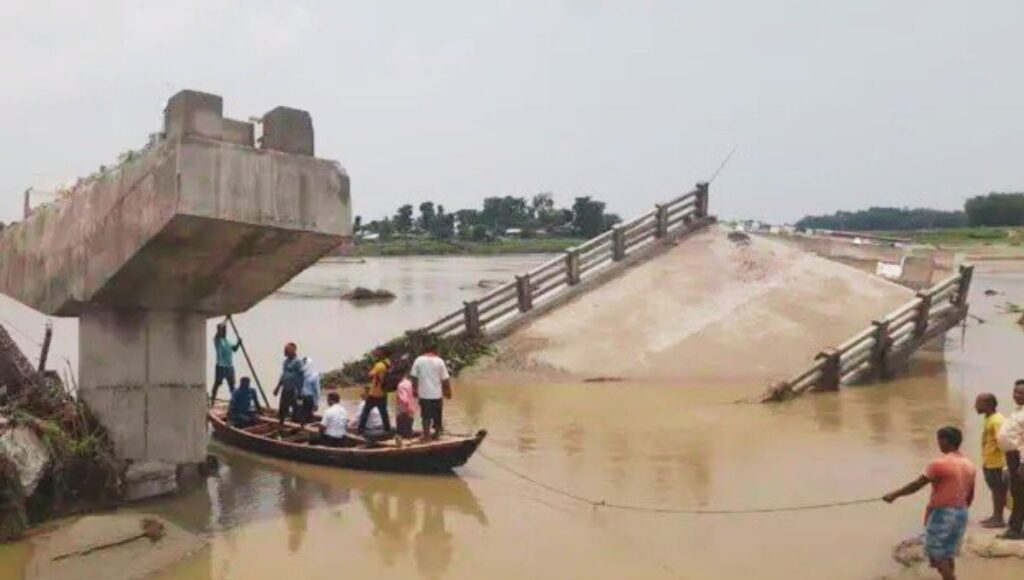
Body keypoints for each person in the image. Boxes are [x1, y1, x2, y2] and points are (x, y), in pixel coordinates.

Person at [883, 426, 976, 580]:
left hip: (943, 513)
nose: (938, 443)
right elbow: (970, 493)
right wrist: (961, 509)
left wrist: (894, 495)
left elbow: (917, 485)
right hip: (961, 511)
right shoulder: (969, 464)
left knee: (937, 554)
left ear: (946, 441)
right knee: (948, 553)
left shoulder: (937, 464)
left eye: (939, 440)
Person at [975, 393, 1008, 528]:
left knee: (998, 490)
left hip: (997, 463)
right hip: (990, 461)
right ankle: (995, 515)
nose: (975, 406)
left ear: (988, 404)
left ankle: (998, 519)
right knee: (995, 490)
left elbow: (1004, 440)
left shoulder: (997, 420)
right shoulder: (989, 418)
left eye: (978, 403)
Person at [997, 379, 1024, 539]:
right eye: (1016, 392)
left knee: (1019, 493)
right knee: (1017, 492)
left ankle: (1015, 529)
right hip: (1012, 457)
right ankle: (1015, 527)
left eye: (1021, 393)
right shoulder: (1018, 411)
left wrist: (1022, 463)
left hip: (1019, 458)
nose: (1017, 395)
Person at [410, 341, 451, 441]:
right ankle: (437, 434)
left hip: (424, 394)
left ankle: (427, 436)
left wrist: (414, 389)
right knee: (437, 415)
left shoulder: (419, 360)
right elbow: (445, 379)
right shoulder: (440, 361)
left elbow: (413, 376)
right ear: (435, 350)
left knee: (426, 416)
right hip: (437, 394)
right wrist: (448, 392)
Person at [358, 348, 393, 434]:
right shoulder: (389, 363)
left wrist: (370, 369)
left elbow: (370, 375)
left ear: (383, 354)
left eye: (378, 352)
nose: (376, 353)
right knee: (384, 413)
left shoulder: (379, 365)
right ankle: (387, 429)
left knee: (365, 412)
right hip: (384, 392)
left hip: (374, 393)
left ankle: (360, 430)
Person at [273, 343, 304, 428]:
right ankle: (281, 427)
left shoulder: (298, 362)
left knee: (297, 409)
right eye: (285, 349)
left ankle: (301, 427)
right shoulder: (285, 362)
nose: (285, 351)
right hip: (285, 388)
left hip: (294, 389)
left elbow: (301, 376)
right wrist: (278, 387)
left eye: (287, 349)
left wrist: (300, 391)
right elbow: (283, 375)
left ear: (293, 350)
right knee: (282, 409)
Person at [211, 322, 242, 404]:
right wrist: (222, 325)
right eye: (223, 330)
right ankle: (212, 401)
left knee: (232, 385)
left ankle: (235, 402)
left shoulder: (228, 341)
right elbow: (217, 334)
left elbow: (234, 349)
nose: (224, 332)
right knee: (217, 384)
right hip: (220, 366)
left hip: (229, 366)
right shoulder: (217, 340)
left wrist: (239, 343)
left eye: (225, 330)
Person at [296, 356, 321, 426]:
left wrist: (316, 403)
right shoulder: (299, 374)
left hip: (309, 398)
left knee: (309, 415)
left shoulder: (314, 375)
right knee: (300, 415)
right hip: (300, 397)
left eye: (304, 363)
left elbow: (317, 391)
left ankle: (309, 428)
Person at [395, 365, 419, 439]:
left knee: (401, 432)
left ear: (398, 375)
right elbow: (415, 394)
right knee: (408, 430)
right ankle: (409, 440)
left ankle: (402, 444)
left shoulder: (400, 385)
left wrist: (403, 412)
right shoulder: (409, 383)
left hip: (404, 410)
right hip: (411, 409)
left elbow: (404, 399)